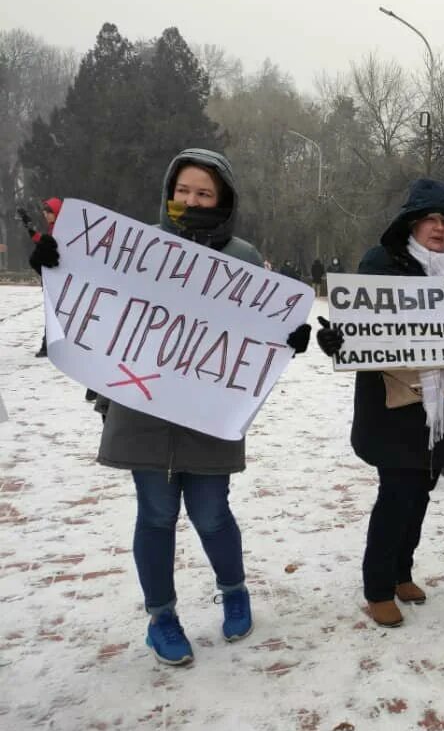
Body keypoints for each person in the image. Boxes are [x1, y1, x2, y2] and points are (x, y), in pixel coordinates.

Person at [31, 148, 312, 666]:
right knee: (156, 515)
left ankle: (234, 591)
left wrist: (290, 336)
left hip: (209, 409)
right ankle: (162, 617)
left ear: (222, 200)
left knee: (211, 513)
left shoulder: (243, 258)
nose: (191, 200)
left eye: (204, 193)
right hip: (143, 406)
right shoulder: (136, 246)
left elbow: (262, 329)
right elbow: (93, 295)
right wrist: (55, 265)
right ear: (169, 193)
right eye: (183, 191)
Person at [316, 178, 444, 629]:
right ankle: (377, 586)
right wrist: (334, 340)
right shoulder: (382, 263)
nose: (439, 227)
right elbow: (355, 326)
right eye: (430, 218)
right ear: (412, 223)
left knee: (423, 490)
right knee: (397, 493)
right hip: (393, 403)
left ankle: (401, 571)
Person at [26, 198, 62, 357]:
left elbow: (51, 245)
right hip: (52, 278)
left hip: (59, 279)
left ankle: (48, 346)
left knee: (55, 313)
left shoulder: (61, 229)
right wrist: (30, 229)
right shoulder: (52, 229)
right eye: (45, 211)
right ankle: (48, 345)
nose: (45, 214)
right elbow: (44, 244)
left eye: (49, 211)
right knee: (53, 312)